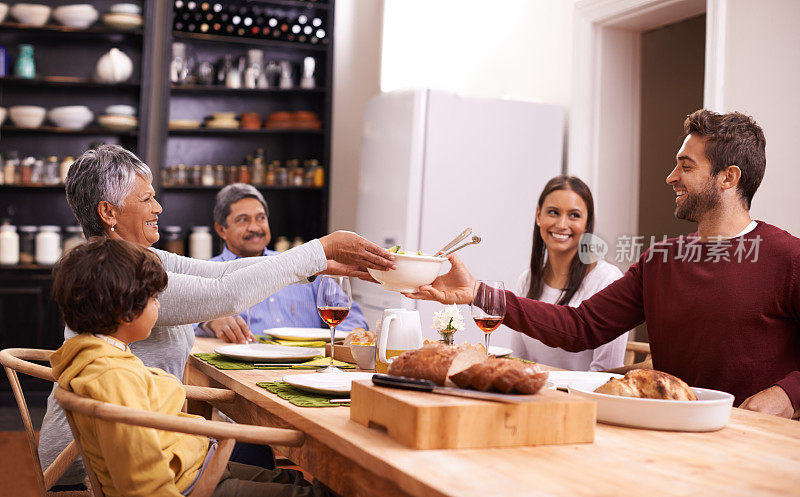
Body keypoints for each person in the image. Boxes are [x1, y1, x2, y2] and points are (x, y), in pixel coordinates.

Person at [39, 144, 396, 489]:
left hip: (145, 443)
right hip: (100, 457)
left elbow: (223, 274)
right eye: (146, 198)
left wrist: (320, 265)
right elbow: (225, 295)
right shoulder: (120, 278)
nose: (158, 207)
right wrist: (321, 248)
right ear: (109, 212)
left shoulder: (136, 260)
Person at [406, 109, 800, 418]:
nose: (671, 177)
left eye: (686, 166)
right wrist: (478, 293)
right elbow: (580, 326)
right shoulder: (661, 259)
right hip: (666, 439)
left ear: (728, 178)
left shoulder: (787, 257)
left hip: (752, 444)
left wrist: (787, 393)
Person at [50, 237, 333, 497]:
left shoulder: (101, 356)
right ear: (126, 310)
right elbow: (144, 483)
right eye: (153, 298)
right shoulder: (112, 376)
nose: (159, 306)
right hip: (193, 484)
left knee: (294, 482)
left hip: (196, 464)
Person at [194, 184, 367, 343]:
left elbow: (354, 320)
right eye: (243, 220)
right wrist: (207, 322)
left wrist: (333, 350)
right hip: (242, 370)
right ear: (221, 230)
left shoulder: (303, 264)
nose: (255, 227)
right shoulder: (207, 273)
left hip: (310, 368)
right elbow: (174, 323)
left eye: (260, 218)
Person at [511, 175, 628, 371]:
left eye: (574, 215)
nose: (562, 224)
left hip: (581, 400)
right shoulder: (527, 280)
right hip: (534, 396)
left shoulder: (607, 280)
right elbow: (519, 361)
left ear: (587, 222)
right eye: (553, 212)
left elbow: (604, 372)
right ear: (539, 216)